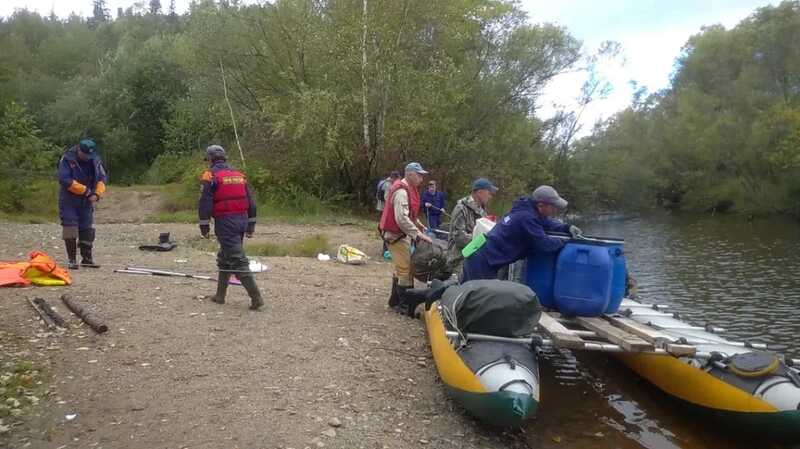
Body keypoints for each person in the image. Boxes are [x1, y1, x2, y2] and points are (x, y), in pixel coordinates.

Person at [461, 185, 582, 282]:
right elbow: (544, 244)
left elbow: (546, 222)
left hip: (479, 254)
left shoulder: (527, 211)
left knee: (474, 299)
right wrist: (566, 242)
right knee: (478, 301)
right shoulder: (526, 218)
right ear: (540, 205)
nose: (555, 210)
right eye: (553, 206)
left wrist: (567, 227)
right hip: (482, 261)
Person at [198, 145, 265, 311]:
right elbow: (251, 203)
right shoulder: (238, 176)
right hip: (242, 220)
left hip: (225, 222)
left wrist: (204, 224)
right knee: (225, 257)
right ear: (224, 158)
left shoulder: (210, 176)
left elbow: (205, 202)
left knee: (237, 260)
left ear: (210, 159)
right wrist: (251, 225)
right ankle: (220, 296)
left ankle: (256, 298)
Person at [379, 162, 433, 315]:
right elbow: (401, 218)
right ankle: (403, 306)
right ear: (409, 174)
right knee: (406, 270)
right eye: (419, 175)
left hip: (401, 234)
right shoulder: (402, 192)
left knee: (400, 268)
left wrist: (420, 225)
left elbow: (409, 215)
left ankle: (394, 301)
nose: (421, 179)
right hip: (396, 236)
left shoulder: (409, 189)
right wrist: (418, 234)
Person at [57, 138, 107, 269]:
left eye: (89, 155)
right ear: (79, 149)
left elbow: (102, 178)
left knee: (87, 229)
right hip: (69, 200)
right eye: (85, 155)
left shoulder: (95, 160)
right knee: (70, 228)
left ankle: (87, 259)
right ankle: (72, 260)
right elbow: (65, 179)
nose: (87, 157)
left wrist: (97, 194)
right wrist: (86, 192)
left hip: (86, 201)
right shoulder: (67, 159)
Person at [448, 178, 498, 276]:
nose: (490, 196)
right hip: (459, 260)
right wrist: (483, 240)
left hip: (474, 258)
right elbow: (459, 237)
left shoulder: (482, 211)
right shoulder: (461, 208)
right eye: (489, 192)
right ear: (479, 192)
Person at [376, 171, 401, 258]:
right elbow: (387, 198)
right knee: (385, 229)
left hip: (380, 207)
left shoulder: (383, 182)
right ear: (394, 178)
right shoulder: (388, 185)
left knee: (383, 228)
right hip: (384, 209)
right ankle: (386, 250)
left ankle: (387, 248)